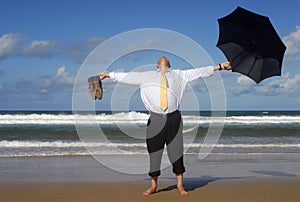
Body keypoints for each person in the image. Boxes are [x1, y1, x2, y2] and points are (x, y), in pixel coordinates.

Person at [99, 56, 231, 196]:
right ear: (157, 65)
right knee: (154, 152)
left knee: (176, 152)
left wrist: (220, 66)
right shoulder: (145, 76)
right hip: (155, 119)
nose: (163, 58)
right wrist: (108, 75)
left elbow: (200, 71)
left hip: (173, 118)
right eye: (160, 60)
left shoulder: (180, 74)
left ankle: (180, 185)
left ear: (169, 65)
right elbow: (126, 76)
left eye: (166, 60)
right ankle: (153, 186)